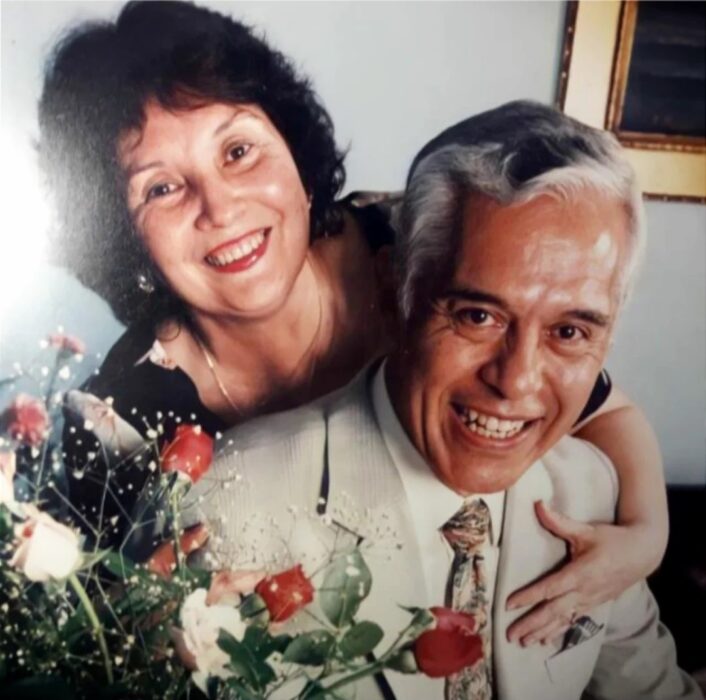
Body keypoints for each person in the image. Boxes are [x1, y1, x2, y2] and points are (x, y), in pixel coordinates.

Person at [39, 1, 664, 643]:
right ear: (122, 235)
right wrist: (144, 620)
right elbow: (105, 636)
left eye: (238, 150)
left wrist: (644, 541)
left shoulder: (409, 246)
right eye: (161, 189)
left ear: (293, 150)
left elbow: (590, 402)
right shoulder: (119, 415)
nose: (220, 208)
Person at [184, 101, 701, 700]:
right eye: (477, 316)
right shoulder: (232, 500)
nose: (517, 382)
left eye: (569, 332)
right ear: (392, 290)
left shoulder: (592, 494)